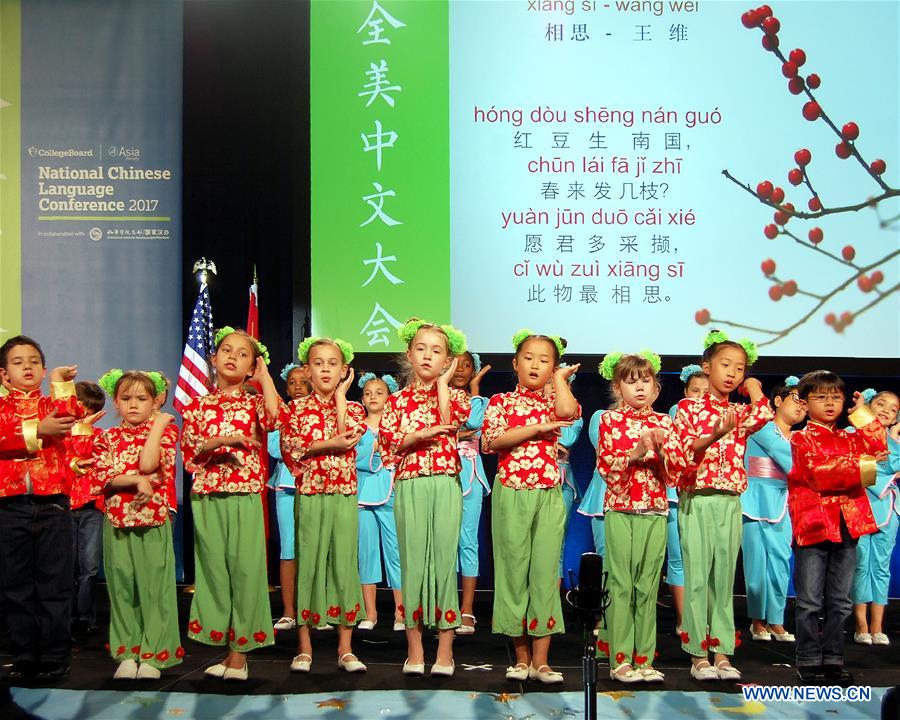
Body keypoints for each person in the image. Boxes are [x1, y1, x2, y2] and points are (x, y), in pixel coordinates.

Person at [181, 326, 282, 681]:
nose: (232, 357)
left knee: (245, 570)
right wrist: (219, 442)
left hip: (242, 494)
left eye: (242, 354)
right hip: (207, 494)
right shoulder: (196, 406)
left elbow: (275, 419)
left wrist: (266, 377)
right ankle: (227, 647)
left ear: (252, 365)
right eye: (227, 350)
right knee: (213, 571)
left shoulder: (254, 401)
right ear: (214, 357)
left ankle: (240, 655)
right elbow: (190, 455)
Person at [673, 330, 771, 681]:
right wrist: (714, 433)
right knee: (697, 576)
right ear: (706, 367)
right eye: (725, 365)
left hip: (730, 499)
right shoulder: (688, 408)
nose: (732, 373)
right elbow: (684, 451)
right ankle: (698, 654)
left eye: (739, 368)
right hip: (697, 498)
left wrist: (755, 386)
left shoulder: (739, 412)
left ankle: (723, 652)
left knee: (723, 579)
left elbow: (764, 413)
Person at [482, 329, 579, 684]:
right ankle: (520, 657)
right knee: (512, 571)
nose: (535, 364)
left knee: (544, 572)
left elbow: (568, 414)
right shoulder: (502, 402)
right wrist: (537, 428)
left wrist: (559, 381)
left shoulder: (555, 398)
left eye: (545, 360)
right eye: (529, 358)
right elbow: (492, 441)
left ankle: (542, 660)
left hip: (548, 493)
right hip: (512, 490)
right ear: (515, 363)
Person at [379, 319, 470, 677]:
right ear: (409, 354)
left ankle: (445, 651)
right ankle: (415, 649)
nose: (428, 356)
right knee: (413, 563)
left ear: (448, 359)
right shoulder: (397, 400)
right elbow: (391, 444)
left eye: (437, 351)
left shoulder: (458, 395)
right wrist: (421, 435)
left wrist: (445, 384)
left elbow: (452, 420)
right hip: (411, 482)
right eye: (421, 349)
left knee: (445, 562)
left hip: (445, 482)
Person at [788, 371, 887, 685]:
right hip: (814, 523)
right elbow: (820, 475)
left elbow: (878, 445)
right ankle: (807, 658)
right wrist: (862, 466)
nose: (829, 403)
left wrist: (861, 413)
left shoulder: (849, 435)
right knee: (809, 601)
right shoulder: (800, 438)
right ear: (804, 402)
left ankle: (833, 658)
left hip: (849, 522)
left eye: (835, 397)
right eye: (820, 397)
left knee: (841, 599)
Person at [597, 351, 686, 683]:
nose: (639, 388)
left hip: (655, 509)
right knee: (621, 584)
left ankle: (644, 659)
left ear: (656, 388)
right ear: (618, 388)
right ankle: (619, 659)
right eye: (630, 382)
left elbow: (675, 473)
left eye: (645, 381)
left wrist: (663, 453)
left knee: (648, 586)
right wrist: (634, 454)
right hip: (621, 508)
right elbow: (606, 466)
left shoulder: (665, 421)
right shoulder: (609, 420)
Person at [0, 335, 86, 679]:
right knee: (16, 585)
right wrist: (38, 429)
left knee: (54, 583)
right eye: (18, 362)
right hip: (9, 504)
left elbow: (71, 415)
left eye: (34, 361)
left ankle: (54, 655)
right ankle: (24, 655)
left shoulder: (50, 401)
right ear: (4, 375)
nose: (27, 367)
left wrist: (62, 384)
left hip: (52, 503)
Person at [280, 337, 367, 674]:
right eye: (319, 363)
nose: (326, 369)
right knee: (310, 563)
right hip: (311, 493)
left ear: (345, 370)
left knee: (344, 565)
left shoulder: (354, 407)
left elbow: (349, 436)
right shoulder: (296, 410)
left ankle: (345, 647)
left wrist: (343, 397)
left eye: (333, 363)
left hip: (344, 493)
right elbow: (294, 450)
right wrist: (327, 444)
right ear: (308, 370)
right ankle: (305, 647)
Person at [93, 369, 182, 679]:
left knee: (154, 588)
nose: (133, 405)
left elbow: (149, 464)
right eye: (126, 398)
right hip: (117, 521)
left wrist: (157, 424)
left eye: (141, 399)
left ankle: (154, 653)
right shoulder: (106, 437)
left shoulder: (165, 432)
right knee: (122, 588)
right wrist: (131, 480)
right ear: (116, 402)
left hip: (152, 519)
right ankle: (127, 652)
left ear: (154, 402)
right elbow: (102, 476)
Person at [741, 376, 805, 643]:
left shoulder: (802, 437)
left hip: (783, 501)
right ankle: (757, 620)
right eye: (796, 399)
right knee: (756, 563)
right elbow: (791, 462)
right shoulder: (763, 427)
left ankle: (776, 620)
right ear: (777, 401)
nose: (801, 406)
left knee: (780, 561)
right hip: (754, 501)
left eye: (805, 402)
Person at [355, 372, 404, 632]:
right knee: (367, 553)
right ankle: (370, 612)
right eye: (368, 393)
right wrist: (370, 449)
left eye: (379, 392)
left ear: (390, 397)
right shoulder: (357, 427)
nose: (373, 396)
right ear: (362, 399)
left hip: (390, 490)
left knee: (395, 553)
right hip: (363, 494)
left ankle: (400, 612)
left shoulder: (396, 426)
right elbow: (354, 459)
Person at [851, 389, 900, 647]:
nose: (886, 411)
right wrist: (873, 464)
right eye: (881, 404)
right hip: (860, 504)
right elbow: (859, 474)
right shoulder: (852, 434)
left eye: (892, 409)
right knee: (860, 563)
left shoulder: (895, 443)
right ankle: (861, 626)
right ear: (869, 406)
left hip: (889, 508)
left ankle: (878, 626)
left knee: (881, 566)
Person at [448, 351, 491, 635]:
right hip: (444, 471)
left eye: (468, 365)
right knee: (444, 543)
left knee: (468, 542)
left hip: (472, 474)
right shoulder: (438, 397)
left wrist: (475, 390)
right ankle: (445, 605)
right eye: (458, 364)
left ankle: (467, 609)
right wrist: (455, 434)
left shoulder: (482, 402)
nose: (462, 369)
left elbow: (474, 424)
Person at [665, 364, 709, 633]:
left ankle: (700, 617)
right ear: (685, 391)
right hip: (674, 491)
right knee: (679, 557)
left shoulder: (717, 414)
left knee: (700, 558)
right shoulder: (679, 410)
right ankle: (684, 620)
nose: (700, 397)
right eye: (695, 391)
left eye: (706, 392)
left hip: (701, 492)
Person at [269, 362, 311, 632]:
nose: (297, 387)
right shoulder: (281, 414)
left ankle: (313, 609)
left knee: (314, 548)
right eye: (292, 383)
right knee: (289, 547)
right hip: (286, 485)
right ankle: (288, 610)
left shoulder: (321, 412)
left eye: (302, 382)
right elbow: (275, 448)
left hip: (313, 484)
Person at [67, 381, 106, 634]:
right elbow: (66, 458)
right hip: (65, 506)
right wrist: (79, 431)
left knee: (89, 567)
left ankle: (84, 618)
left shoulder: (100, 436)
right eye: (82, 407)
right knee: (67, 567)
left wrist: (87, 431)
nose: (85, 414)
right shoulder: (58, 435)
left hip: (91, 507)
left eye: (91, 410)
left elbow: (99, 465)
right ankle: (66, 618)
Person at [554, 364, 584, 582]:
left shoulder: (576, 416)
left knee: (557, 543)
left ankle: (552, 605)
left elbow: (565, 440)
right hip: (530, 479)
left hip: (562, 480)